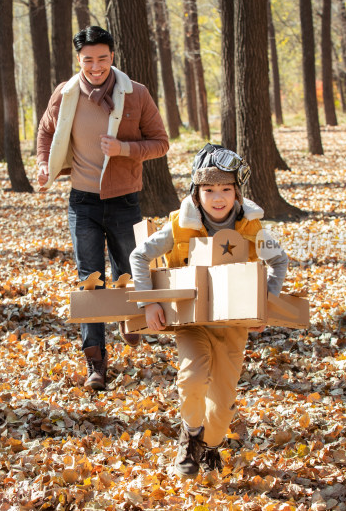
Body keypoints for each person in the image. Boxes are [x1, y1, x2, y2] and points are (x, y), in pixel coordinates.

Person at [129, 144, 289, 477]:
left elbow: (279, 261)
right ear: (196, 192)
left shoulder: (253, 227)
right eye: (209, 189)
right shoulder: (179, 226)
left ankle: (211, 445)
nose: (218, 197)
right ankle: (189, 437)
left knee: (223, 404)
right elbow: (139, 256)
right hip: (193, 321)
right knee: (192, 379)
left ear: (237, 192)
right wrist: (149, 301)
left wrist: (265, 304)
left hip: (233, 325)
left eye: (226, 189)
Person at [37, 26, 169, 391]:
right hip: (82, 201)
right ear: (78, 60)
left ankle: (130, 318)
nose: (95, 67)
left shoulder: (136, 94)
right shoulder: (65, 94)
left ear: (113, 57)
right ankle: (96, 363)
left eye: (102, 59)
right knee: (89, 278)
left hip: (125, 198)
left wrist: (124, 149)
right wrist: (44, 164)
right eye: (88, 60)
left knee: (129, 267)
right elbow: (46, 131)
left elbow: (160, 143)